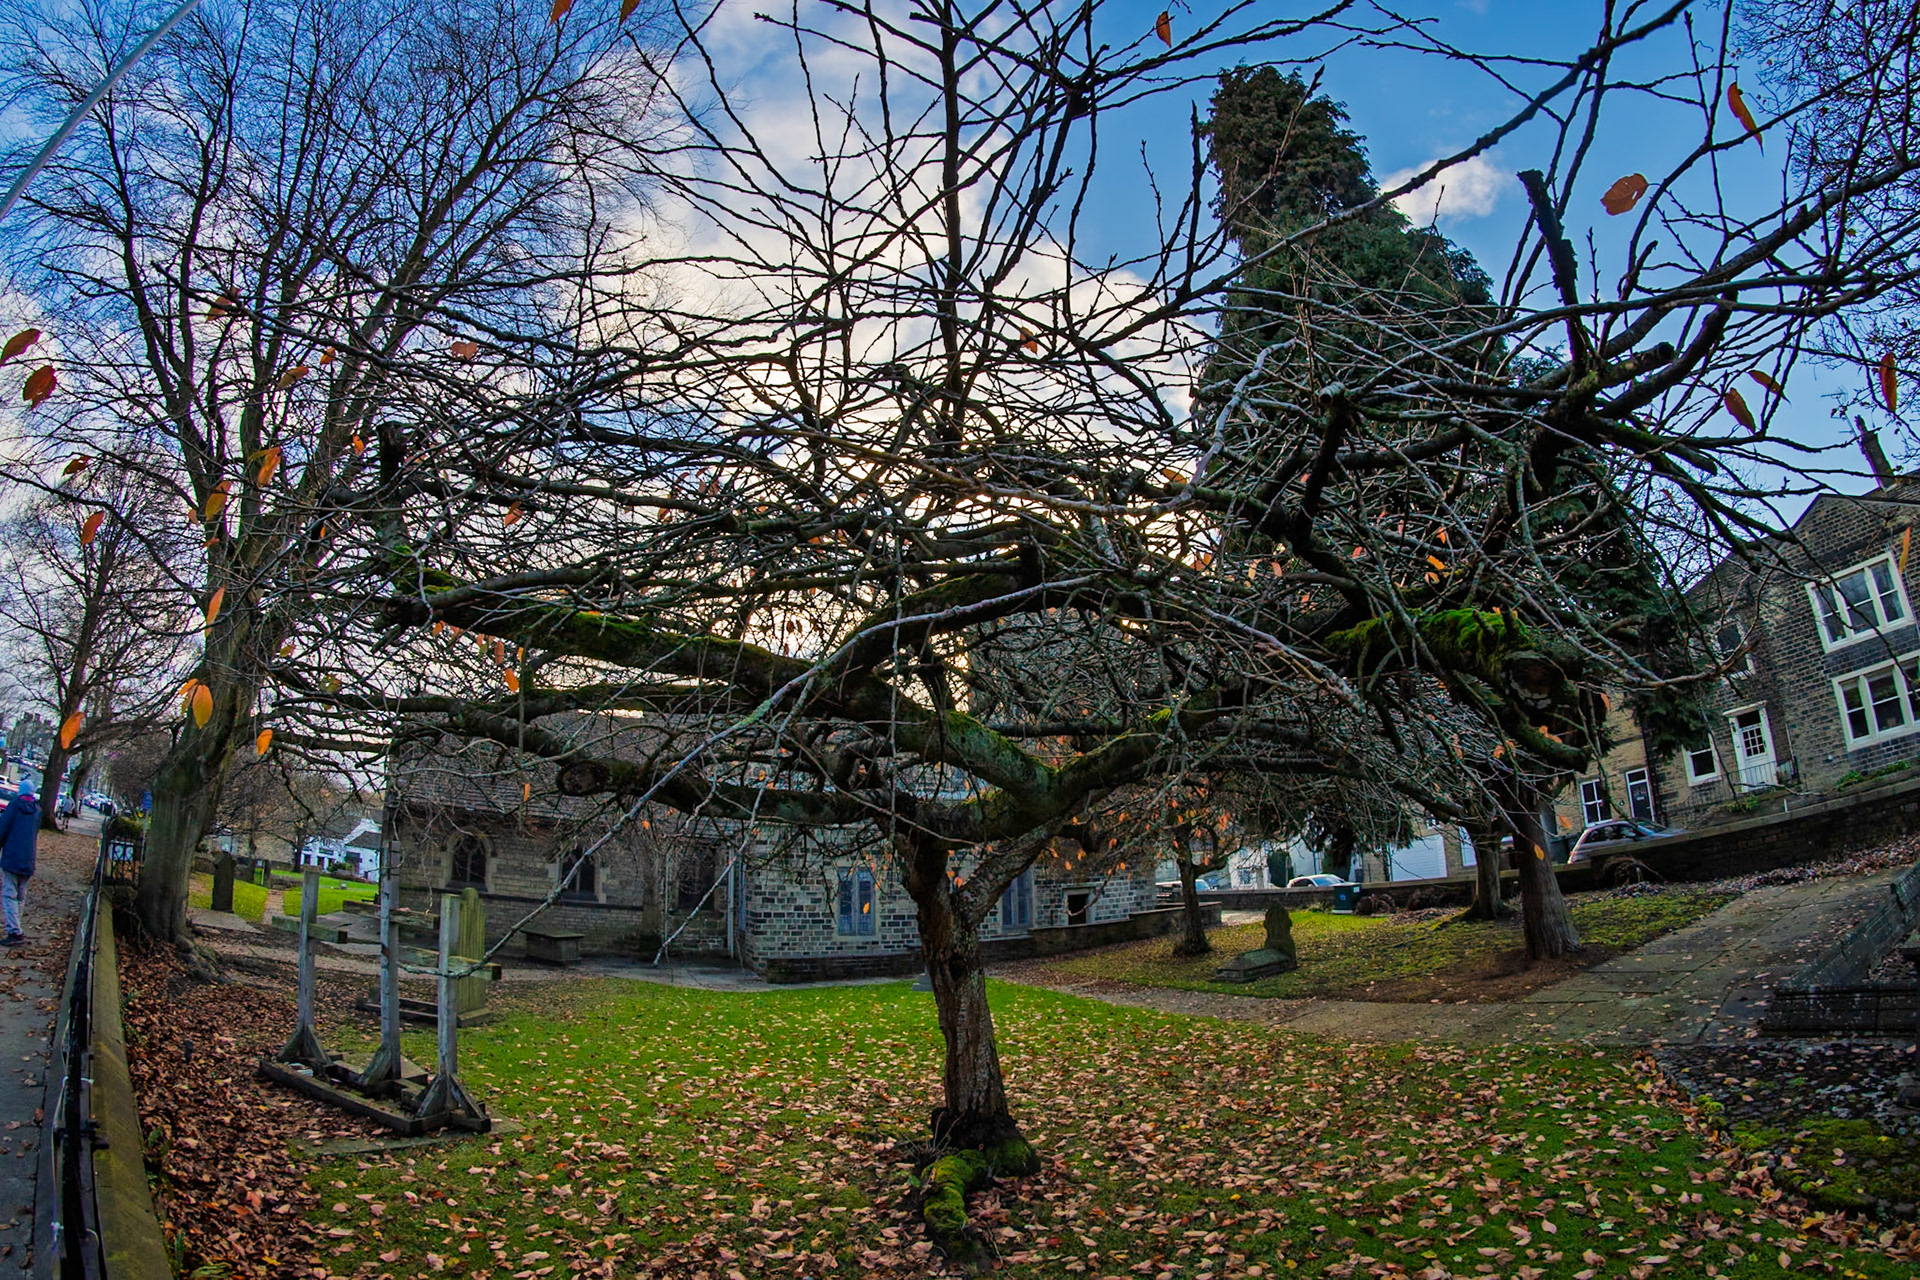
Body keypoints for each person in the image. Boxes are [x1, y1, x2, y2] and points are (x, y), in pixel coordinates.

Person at [0, 778, 40, 946]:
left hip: (12, 857)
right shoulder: (37, 810)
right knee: (20, 896)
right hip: (28, 859)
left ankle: (15, 931)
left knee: (9, 893)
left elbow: (3, 829)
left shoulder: (14, 806)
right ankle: (17, 927)